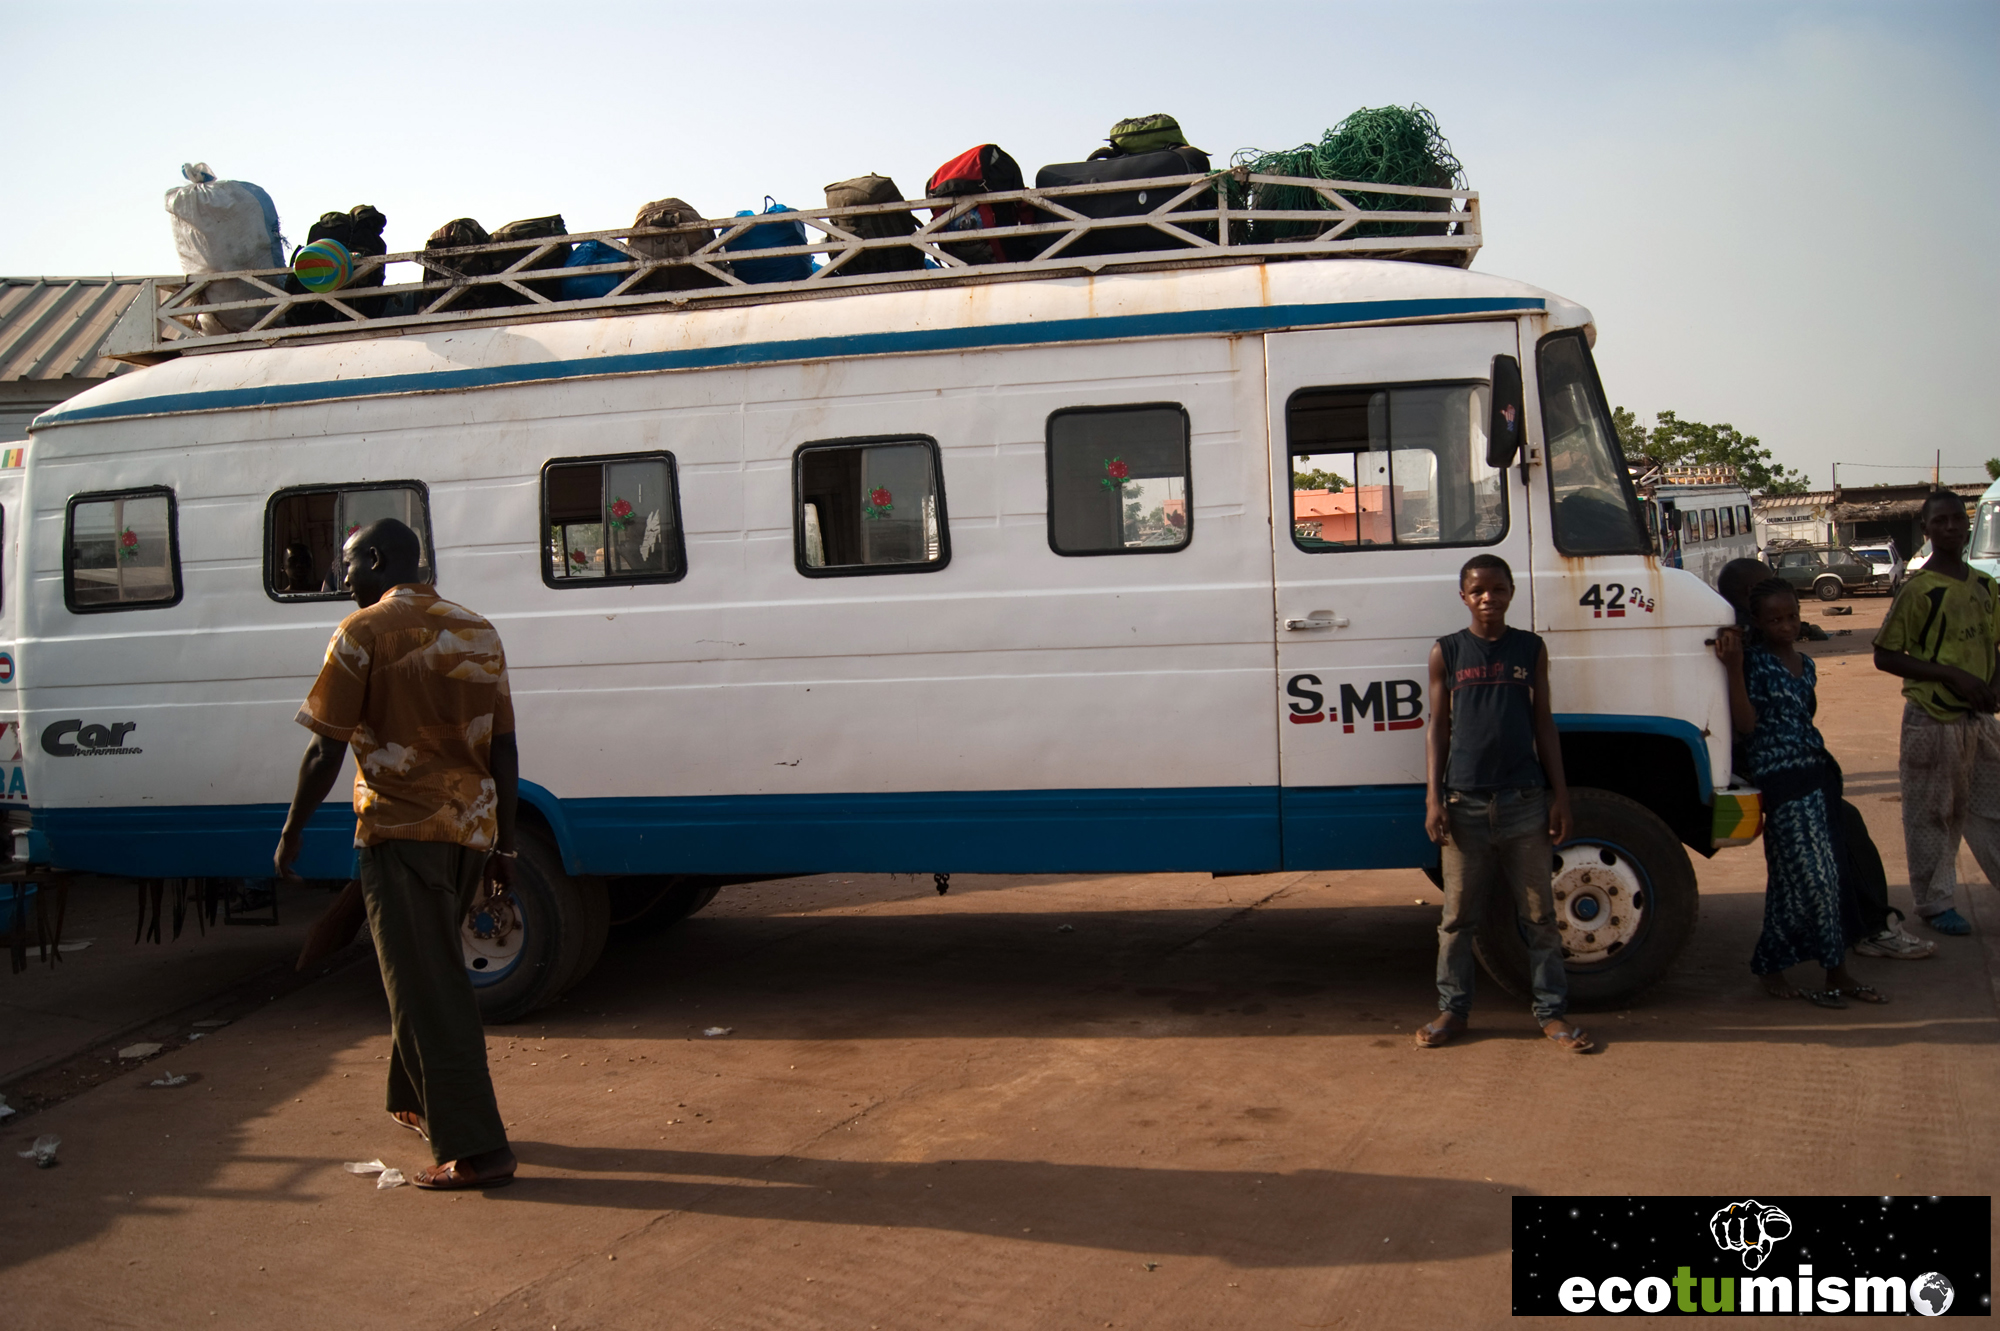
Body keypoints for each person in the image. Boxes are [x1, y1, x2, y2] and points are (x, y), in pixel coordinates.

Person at [274, 518, 520, 1190]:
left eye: (348, 564)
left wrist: (292, 829)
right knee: (420, 974)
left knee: (428, 988)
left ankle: (478, 1150)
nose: (340, 577)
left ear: (379, 560)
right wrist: (505, 841)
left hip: (402, 833)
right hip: (469, 834)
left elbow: (325, 745)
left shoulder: (364, 633)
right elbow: (503, 748)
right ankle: (414, 1099)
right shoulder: (477, 628)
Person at [1414, 554, 1592, 1052]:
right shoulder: (1446, 652)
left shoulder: (1530, 649)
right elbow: (1437, 727)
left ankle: (1552, 1015)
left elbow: (1543, 723)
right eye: (1478, 590)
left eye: (1497, 589)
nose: (1488, 598)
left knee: (1539, 918)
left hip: (1524, 803)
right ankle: (1453, 1011)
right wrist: (1434, 798)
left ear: (1511, 592)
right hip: (1464, 804)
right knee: (1457, 920)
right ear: (1463, 596)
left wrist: (1560, 796)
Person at [1717, 558, 1932, 961]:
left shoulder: (1780, 655)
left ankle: (1851, 933)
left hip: (1803, 765)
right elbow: (1750, 721)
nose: (1786, 622)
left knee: (1826, 849)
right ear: (1751, 601)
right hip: (1778, 769)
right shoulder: (1748, 654)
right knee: (1828, 852)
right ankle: (1867, 929)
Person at [1719, 578, 1883, 1006]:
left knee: (1819, 877)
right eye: (1775, 619)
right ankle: (1812, 967)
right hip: (1780, 778)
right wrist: (1734, 668)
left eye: (1791, 616)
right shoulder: (1752, 662)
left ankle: (1824, 969)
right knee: (1815, 877)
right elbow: (1746, 724)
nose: (1786, 626)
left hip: (1818, 773)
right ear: (1757, 621)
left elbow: (1805, 716)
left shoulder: (1806, 665)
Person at [1873, 490, 2000, 937]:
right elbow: (1886, 655)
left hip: (1978, 720)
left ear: (1967, 525)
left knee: (1992, 808)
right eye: (1939, 521)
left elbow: (1993, 644)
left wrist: (1991, 684)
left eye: (1956, 520)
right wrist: (1952, 676)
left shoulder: (1985, 586)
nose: (1949, 527)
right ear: (1925, 531)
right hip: (1932, 718)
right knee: (1932, 814)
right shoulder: (1918, 590)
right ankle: (1935, 903)